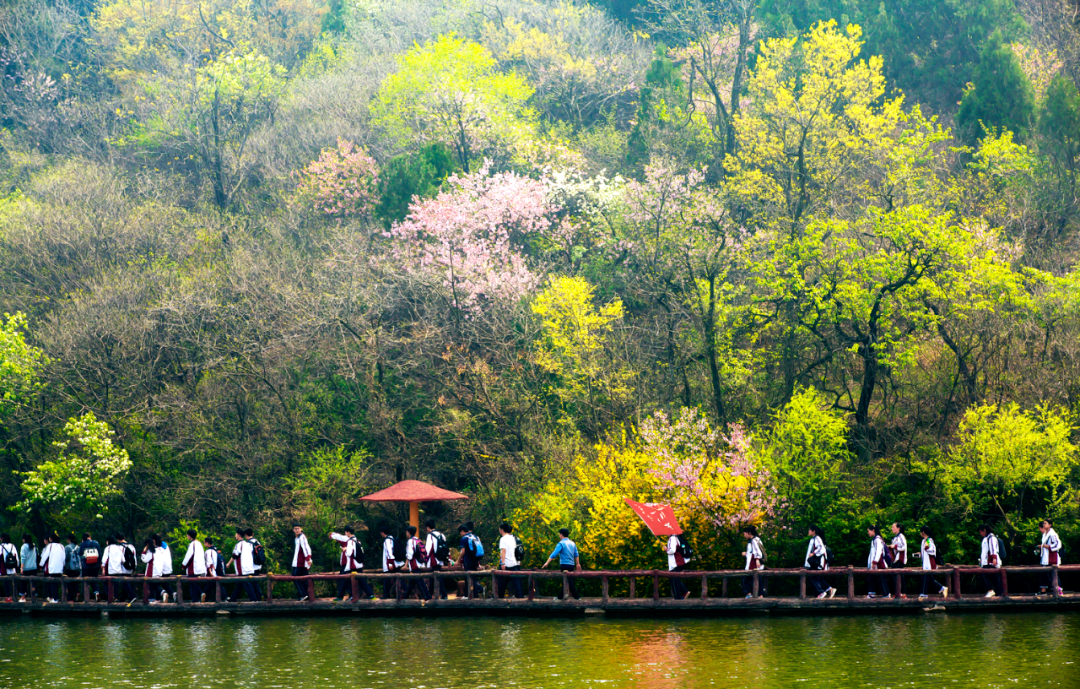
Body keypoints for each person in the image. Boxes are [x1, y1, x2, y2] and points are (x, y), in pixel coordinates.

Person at [330, 526, 374, 601]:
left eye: (345, 532)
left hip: (351, 565)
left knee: (343, 579)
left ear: (348, 532)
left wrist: (345, 550)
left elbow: (349, 553)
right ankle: (370, 595)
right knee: (361, 580)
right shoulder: (357, 541)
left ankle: (341, 597)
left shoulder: (350, 541)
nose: (345, 533)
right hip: (358, 564)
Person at [541, 528, 581, 600]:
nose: (559, 536)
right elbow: (576, 554)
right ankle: (560, 597)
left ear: (561, 534)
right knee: (567, 580)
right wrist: (578, 564)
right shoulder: (572, 543)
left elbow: (554, 554)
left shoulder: (561, 543)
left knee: (568, 581)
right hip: (571, 565)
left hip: (564, 564)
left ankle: (577, 597)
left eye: (559, 534)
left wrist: (547, 562)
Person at [452, 524, 485, 598]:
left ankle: (470, 596)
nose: (460, 534)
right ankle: (472, 595)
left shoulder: (464, 539)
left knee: (468, 578)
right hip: (475, 560)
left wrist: (457, 561)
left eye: (460, 532)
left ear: (462, 531)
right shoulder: (475, 536)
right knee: (473, 578)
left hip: (468, 561)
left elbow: (463, 551)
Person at [914, 526, 947, 599]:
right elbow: (924, 552)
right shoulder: (923, 541)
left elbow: (932, 550)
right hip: (925, 563)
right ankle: (942, 588)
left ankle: (923, 594)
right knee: (929, 579)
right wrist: (920, 554)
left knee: (925, 577)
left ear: (923, 532)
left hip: (929, 563)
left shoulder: (929, 540)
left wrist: (927, 548)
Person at [227, 529, 260, 602]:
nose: (235, 536)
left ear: (239, 535)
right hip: (250, 568)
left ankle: (253, 600)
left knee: (247, 584)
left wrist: (228, 563)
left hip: (242, 569)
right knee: (240, 585)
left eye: (236, 534)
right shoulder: (249, 544)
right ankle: (233, 599)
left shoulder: (239, 545)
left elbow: (235, 555)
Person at [101, 535, 136, 603]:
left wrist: (103, 569)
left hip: (111, 570)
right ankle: (117, 597)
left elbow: (104, 560)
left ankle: (112, 597)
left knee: (106, 582)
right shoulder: (120, 547)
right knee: (117, 584)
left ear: (108, 541)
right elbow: (123, 560)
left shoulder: (108, 548)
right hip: (119, 570)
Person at [804, 525, 836, 599]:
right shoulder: (814, 539)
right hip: (816, 563)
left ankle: (821, 592)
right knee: (817, 578)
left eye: (809, 530)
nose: (808, 531)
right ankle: (829, 589)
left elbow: (821, 549)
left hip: (818, 563)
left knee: (813, 577)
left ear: (813, 531)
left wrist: (814, 553)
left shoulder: (817, 538)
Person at [401, 526, 431, 600]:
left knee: (420, 582)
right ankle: (405, 596)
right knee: (412, 582)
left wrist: (405, 565)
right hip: (420, 563)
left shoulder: (410, 541)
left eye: (406, 532)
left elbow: (409, 555)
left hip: (415, 564)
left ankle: (428, 597)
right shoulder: (417, 539)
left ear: (408, 532)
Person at [142, 535, 174, 603]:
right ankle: (158, 597)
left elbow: (144, 559)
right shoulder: (160, 549)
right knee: (155, 584)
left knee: (152, 585)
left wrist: (144, 551)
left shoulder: (151, 551)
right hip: (159, 571)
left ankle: (160, 594)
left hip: (151, 571)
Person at [497, 523, 524, 599]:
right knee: (516, 581)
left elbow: (503, 551)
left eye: (499, 529)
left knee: (501, 582)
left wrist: (502, 563)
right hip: (514, 563)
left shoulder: (503, 539)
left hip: (506, 563)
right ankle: (520, 596)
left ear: (502, 529)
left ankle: (499, 597)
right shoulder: (513, 538)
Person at [425, 520, 449, 599]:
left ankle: (443, 595)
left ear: (428, 527)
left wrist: (424, 559)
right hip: (441, 558)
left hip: (434, 559)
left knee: (437, 577)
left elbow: (428, 549)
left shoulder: (430, 535)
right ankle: (430, 594)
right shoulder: (441, 535)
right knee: (434, 577)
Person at [1038, 519, 1063, 596]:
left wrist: (1048, 547)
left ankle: (1059, 590)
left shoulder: (1052, 534)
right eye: (1044, 523)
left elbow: (1058, 545)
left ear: (1050, 525)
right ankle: (1043, 591)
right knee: (1045, 574)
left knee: (1052, 575)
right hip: (1046, 557)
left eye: (1045, 523)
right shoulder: (1045, 534)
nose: (1044, 524)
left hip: (1051, 558)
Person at [181, 529, 207, 602]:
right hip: (199, 567)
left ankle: (195, 599)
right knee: (194, 582)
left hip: (193, 567)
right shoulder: (199, 543)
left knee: (192, 583)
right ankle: (201, 593)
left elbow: (189, 556)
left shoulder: (192, 544)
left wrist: (183, 565)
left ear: (189, 536)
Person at [867, 525, 892, 599]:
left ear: (873, 530)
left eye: (868, 531)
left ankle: (886, 594)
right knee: (872, 578)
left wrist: (874, 562)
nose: (868, 533)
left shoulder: (877, 540)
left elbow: (878, 552)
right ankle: (871, 593)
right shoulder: (875, 540)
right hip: (875, 564)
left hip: (879, 564)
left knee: (881, 579)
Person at [378, 524, 402, 599]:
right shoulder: (392, 539)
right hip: (395, 562)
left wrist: (390, 563)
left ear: (382, 532)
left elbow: (389, 552)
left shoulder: (387, 540)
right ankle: (403, 593)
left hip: (390, 563)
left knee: (387, 579)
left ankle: (386, 595)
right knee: (397, 578)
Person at [40, 533, 66, 603]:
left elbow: (45, 556)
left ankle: (55, 599)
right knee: (58, 583)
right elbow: (63, 558)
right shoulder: (62, 546)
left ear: (51, 539)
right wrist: (63, 565)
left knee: (53, 584)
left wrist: (41, 565)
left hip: (52, 568)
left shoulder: (50, 546)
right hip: (60, 568)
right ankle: (59, 598)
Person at [742, 525, 766, 599]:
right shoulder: (756, 539)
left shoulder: (753, 541)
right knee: (756, 578)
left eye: (745, 534)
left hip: (753, 564)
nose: (744, 536)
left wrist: (757, 560)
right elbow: (752, 552)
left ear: (749, 533)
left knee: (746, 578)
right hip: (753, 563)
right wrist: (746, 553)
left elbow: (757, 552)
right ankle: (760, 594)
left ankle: (751, 594)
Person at [979, 524, 1003, 598]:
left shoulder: (991, 538)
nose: (980, 534)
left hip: (990, 561)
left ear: (984, 530)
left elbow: (993, 548)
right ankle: (999, 592)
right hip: (986, 562)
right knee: (994, 578)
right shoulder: (986, 538)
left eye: (981, 532)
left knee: (985, 575)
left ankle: (991, 590)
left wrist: (994, 558)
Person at [291, 524, 313, 601]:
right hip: (297, 562)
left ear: (301, 529)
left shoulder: (302, 537)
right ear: (293, 530)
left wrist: (308, 559)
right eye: (295, 529)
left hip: (301, 562)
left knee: (295, 577)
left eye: (298, 528)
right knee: (304, 579)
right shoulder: (297, 538)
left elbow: (306, 548)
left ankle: (303, 594)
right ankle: (307, 595)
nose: (297, 530)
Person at [665, 532, 689, 600]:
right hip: (677, 562)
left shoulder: (672, 538)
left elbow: (672, 550)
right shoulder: (675, 537)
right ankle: (684, 592)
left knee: (675, 579)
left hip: (676, 562)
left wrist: (666, 549)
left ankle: (678, 596)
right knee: (673, 579)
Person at [889, 523, 908, 598]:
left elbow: (904, 547)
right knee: (898, 575)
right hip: (896, 559)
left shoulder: (901, 537)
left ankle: (901, 593)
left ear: (898, 528)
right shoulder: (895, 538)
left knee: (895, 574)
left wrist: (895, 547)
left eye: (893, 527)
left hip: (900, 559)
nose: (892, 528)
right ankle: (900, 593)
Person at [0, 534, 20, 602]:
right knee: (13, 583)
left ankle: (8, 597)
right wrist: (17, 566)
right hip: (12, 567)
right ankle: (15, 597)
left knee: (6, 583)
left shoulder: (1, 546)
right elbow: (16, 556)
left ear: (2, 538)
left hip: (5, 568)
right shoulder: (12, 546)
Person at [18, 534, 37, 602]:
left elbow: (23, 558)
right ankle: (34, 597)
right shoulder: (34, 546)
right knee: (33, 583)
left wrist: (21, 568)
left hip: (26, 568)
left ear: (25, 539)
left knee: (23, 583)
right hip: (34, 567)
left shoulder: (24, 547)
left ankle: (23, 598)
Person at [63, 534, 81, 602]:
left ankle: (71, 598)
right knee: (75, 582)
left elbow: (66, 558)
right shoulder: (78, 547)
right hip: (77, 568)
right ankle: (78, 593)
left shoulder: (67, 548)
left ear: (69, 540)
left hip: (69, 568)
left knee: (70, 583)